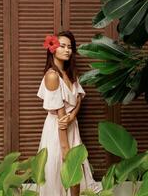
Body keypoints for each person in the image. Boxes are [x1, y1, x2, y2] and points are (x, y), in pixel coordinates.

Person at [37, 31, 101, 196]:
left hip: (72, 127)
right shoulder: (52, 76)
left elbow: (79, 98)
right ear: (53, 49)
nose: (67, 50)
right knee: (61, 171)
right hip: (58, 131)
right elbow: (61, 119)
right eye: (62, 46)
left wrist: (72, 116)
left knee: (76, 175)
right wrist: (65, 148)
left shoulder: (70, 73)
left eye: (70, 47)